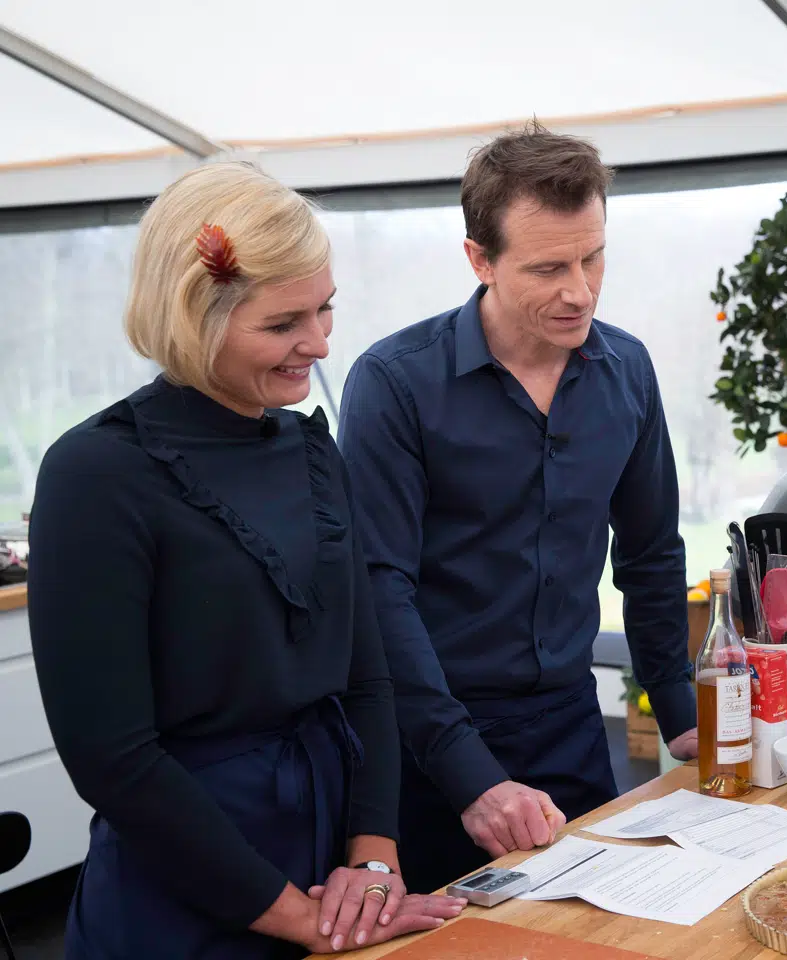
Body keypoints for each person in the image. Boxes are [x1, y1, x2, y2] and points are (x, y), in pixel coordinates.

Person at [26, 162, 466, 958]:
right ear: (194, 314)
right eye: (283, 323)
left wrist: (372, 858)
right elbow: (114, 760)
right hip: (186, 881)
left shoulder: (312, 451)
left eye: (326, 308)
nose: (320, 342)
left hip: (335, 858)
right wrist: (302, 918)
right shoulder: (95, 474)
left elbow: (367, 677)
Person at [337, 123, 699, 895]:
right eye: (548, 267)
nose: (581, 289)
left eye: (593, 256)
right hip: (426, 745)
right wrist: (469, 777)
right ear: (479, 260)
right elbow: (378, 594)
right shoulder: (394, 386)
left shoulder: (627, 370)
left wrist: (680, 713)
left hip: (572, 729)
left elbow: (651, 554)